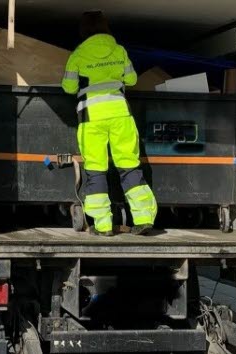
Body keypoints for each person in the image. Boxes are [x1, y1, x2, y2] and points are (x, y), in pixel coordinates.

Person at [61, 10, 158, 236]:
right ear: (106, 28)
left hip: (92, 118)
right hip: (120, 115)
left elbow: (68, 87)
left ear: (83, 31)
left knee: (95, 170)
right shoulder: (119, 50)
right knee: (129, 166)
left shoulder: (77, 55)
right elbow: (132, 79)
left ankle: (103, 226)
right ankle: (143, 218)